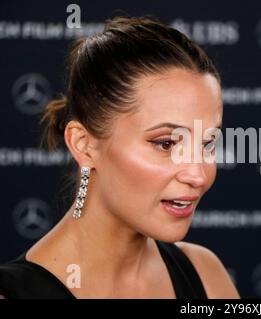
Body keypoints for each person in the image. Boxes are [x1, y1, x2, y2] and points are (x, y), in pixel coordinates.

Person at [0, 15, 240, 299]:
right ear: (84, 144)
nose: (198, 175)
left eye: (207, 143)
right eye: (165, 144)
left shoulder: (204, 274)